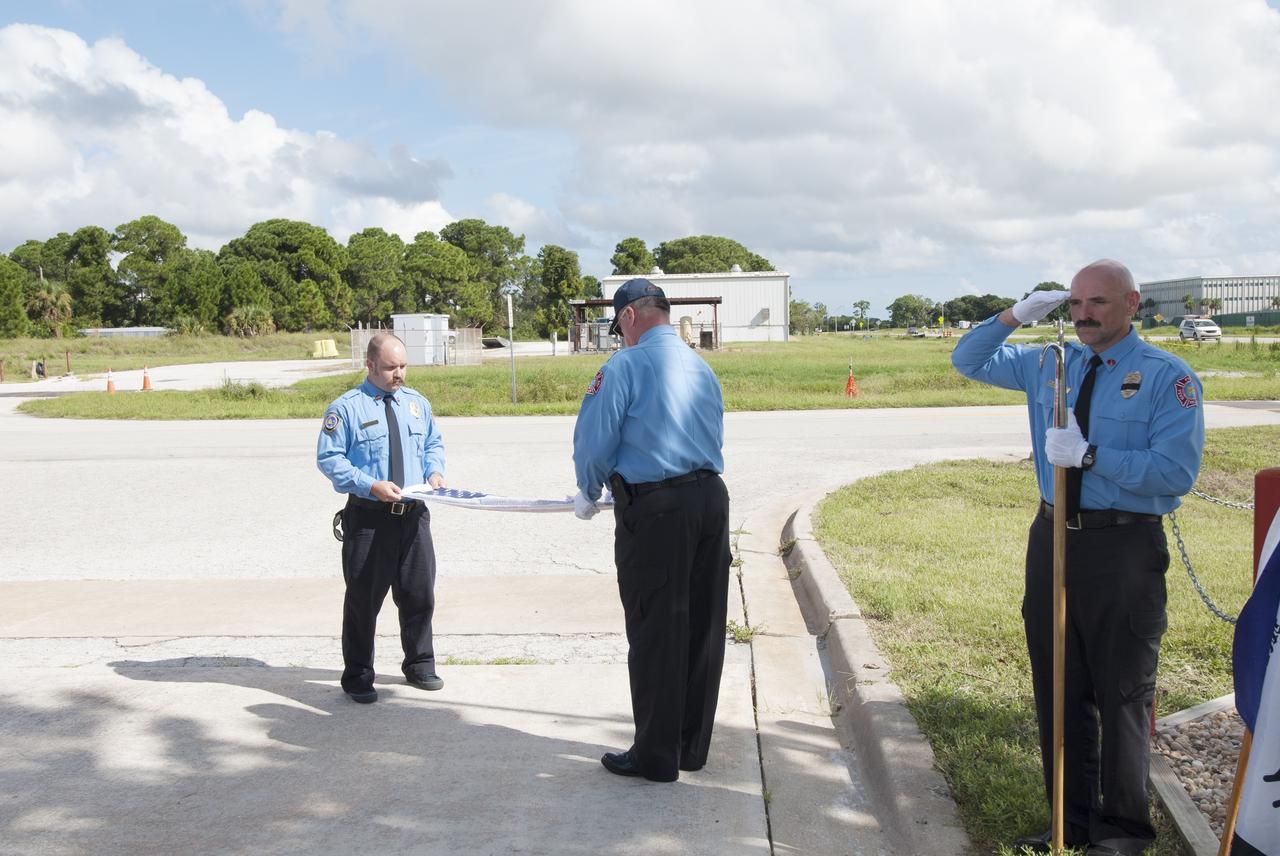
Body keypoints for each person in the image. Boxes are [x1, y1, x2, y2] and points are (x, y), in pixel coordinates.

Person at [952, 260, 1205, 856]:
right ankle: (1070, 819)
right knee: (1059, 682)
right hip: (1054, 535)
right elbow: (968, 361)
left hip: (1122, 544)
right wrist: (1014, 315)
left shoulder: (1167, 377)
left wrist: (1091, 457)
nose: (1084, 314)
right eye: (1074, 304)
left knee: (1121, 689)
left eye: (1098, 302)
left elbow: (1175, 472)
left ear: (1133, 304)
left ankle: (1122, 832)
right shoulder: (1050, 363)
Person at [572, 277, 732, 783]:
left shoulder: (625, 364)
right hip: (711, 498)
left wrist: (586, 487)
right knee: (702, 627)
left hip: (659, 509)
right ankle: (689, 747)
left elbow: (596, 436)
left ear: (629, 317)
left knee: (656, 629)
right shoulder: (702, 367)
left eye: (618, 325)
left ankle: (655, 756)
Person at [317, 332, 447, 704]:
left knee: (419, 594)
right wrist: (370, 484)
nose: (399, 374)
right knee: (363, 600)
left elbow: (433, 443)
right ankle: (358, 674)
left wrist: (434, 471)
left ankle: (420, 663)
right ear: (370, 365)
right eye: (391, 367)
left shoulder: (417, 404)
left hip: (413, 515)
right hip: (370, 518)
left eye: (403, 366)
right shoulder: (346, 409)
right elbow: (330, 459)